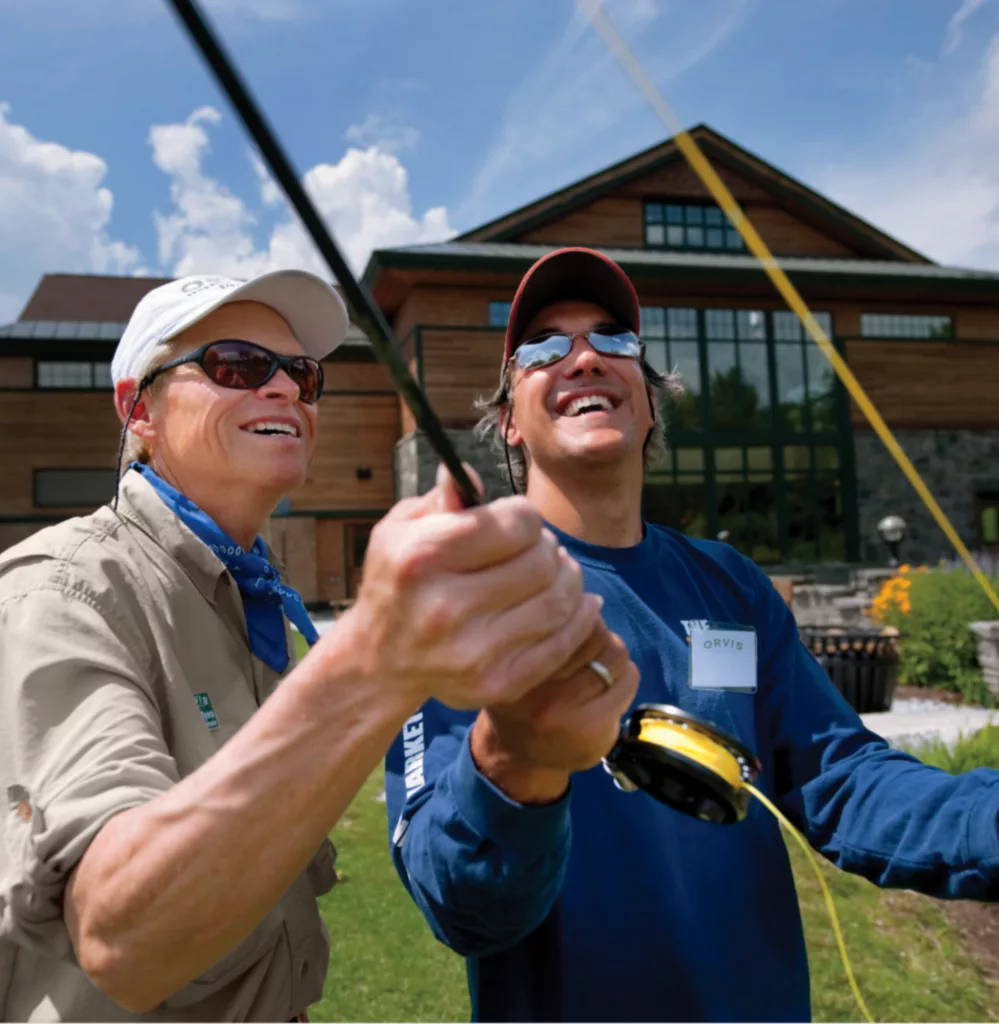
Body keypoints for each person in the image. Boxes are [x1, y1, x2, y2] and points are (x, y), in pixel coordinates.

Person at [384, 246, 999, 1023]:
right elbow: (458, 901)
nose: (584, 357)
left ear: (650, 403)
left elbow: (840, 774)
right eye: (545, 348)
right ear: (509, 423)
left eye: (613, 339)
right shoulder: (461, 597)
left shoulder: (731, 584)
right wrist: (512, 758)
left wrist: (997, 819)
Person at [0, 268, 637, 1022]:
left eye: (301, 375)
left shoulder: (249, 596)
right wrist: (377, 657)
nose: (283, 391)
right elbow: (120, 938)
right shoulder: (63, 591)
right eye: (234, 366)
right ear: (138, 408)